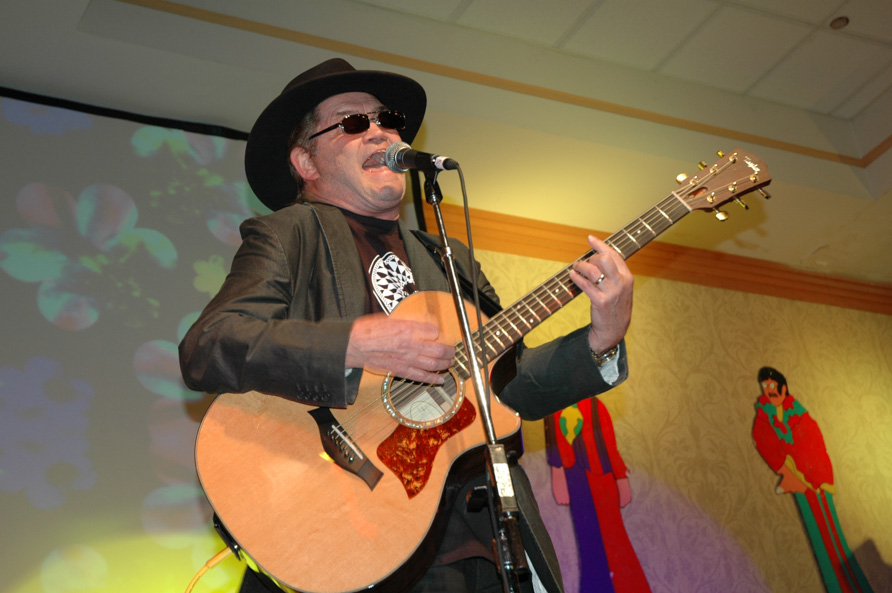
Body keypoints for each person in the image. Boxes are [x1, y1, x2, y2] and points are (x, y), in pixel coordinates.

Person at [179, 57, 634, 593]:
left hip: (475, 545)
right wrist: (352, 344)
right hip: (350, 529)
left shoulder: (448, 256)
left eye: (387, 120)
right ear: (306, 162)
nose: (379, 131)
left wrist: (601, 342)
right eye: (353, 123)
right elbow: (210, 345)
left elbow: (506, 390)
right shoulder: (289, 234)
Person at [752, 367, 874, 593]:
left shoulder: (799, 415)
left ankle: (854, 587)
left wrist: (810, 478)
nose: (769, 391)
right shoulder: (765, 416)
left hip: (815, 482)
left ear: (784, 388)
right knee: (821, 540)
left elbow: (812, 443)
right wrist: (787, 471)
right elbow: (763, 439)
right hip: (797, 482)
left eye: (772, 387)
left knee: (831, 535)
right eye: (765, 388)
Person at [545, 398, 651, 592]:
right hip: (574, 477)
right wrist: (558, 475)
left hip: (600, 474)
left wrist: (621, 478)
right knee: (588, 538)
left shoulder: (596, 405)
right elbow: (554, 444)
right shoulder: (552, 411)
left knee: (613, 534)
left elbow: (609, 445)